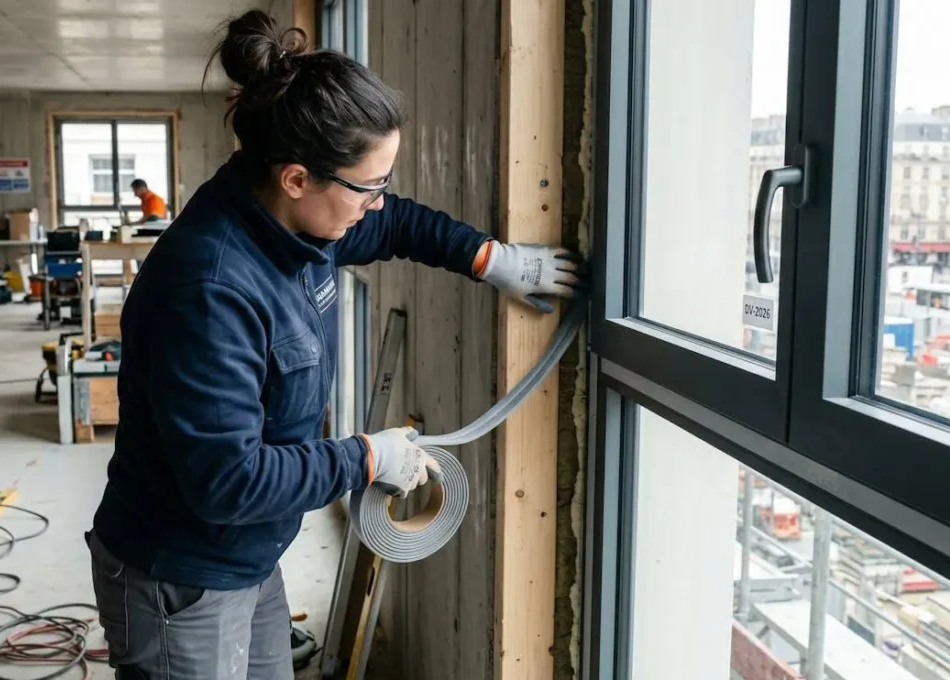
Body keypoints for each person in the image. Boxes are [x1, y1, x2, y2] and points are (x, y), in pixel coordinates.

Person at [87, 10, 583, 680]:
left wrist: (491, 259)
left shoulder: (301, 219)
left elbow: (400, 223)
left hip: (248, 559)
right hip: (182, 577)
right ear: (297, 177)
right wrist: (365, 458)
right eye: (368, 187)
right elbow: (228, 483)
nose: (378, 202)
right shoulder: (209, 289)